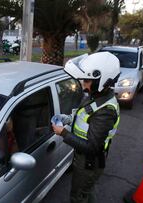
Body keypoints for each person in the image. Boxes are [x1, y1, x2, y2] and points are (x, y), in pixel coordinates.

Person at [51, 52, 120, 203]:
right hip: (86, 159)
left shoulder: (106, 111)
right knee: (87, 192)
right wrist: (68, 119)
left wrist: (63, 133)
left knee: (78, 196)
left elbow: (92, 148)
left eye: (87, 80)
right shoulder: (98, 95)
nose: (83, 83)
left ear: (101, 80)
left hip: (89, 163)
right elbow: (86, 117)